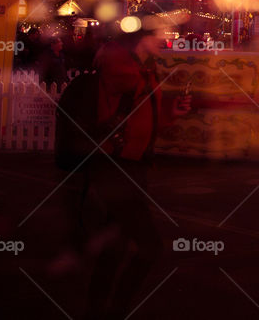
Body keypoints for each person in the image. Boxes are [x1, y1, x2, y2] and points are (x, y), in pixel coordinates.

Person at [82, 18, 191, 319]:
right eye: (160, 33)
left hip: (135, 164)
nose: (167, 38)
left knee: (115, 246)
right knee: (149, 246)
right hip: (116, 166)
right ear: (142, 36)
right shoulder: (122, 67)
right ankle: (114, 311)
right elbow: (121, 100)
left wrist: (171, 113)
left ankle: (97, 310)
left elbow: (140, 118)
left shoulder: (143, 68)